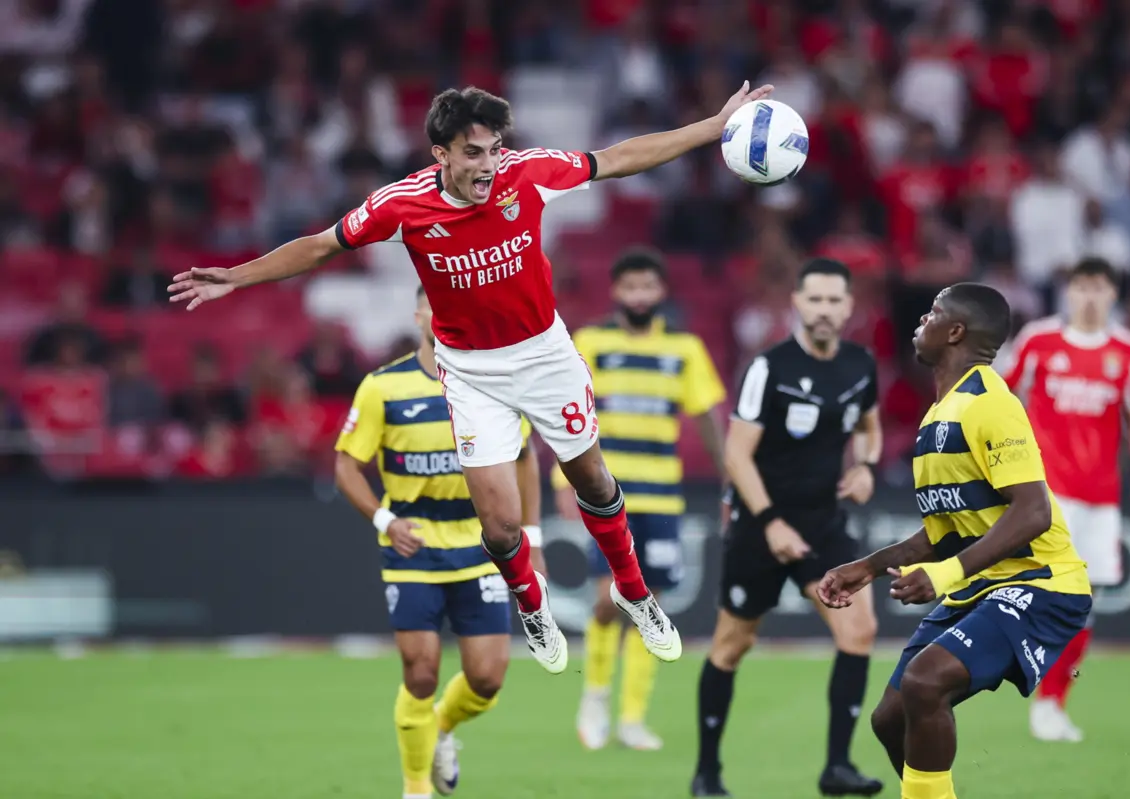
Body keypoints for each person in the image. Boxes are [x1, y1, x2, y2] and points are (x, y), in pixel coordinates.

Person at [170, 82, 773, 672]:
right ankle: (531, 605)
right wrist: (236, 276)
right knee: (500, 523)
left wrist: (713, 127)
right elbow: (321, 247)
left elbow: (617, 159)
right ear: (442, 155)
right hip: (472, 370)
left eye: (493, 148)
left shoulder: (526, 172)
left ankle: (634, 593)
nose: (488, 164)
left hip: (544, 354)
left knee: (591, 479)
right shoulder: (401, 205)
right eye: (472, 152)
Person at [819, 283, 1093, 799]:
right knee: (890, 720)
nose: (921, 320)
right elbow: (945, 530)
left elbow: (1032, 511)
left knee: (926, 683)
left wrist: (945, 575)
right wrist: (869, 567)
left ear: (956, 332)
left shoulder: (991, 404)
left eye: (933, 313)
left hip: (1042, 582)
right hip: (983, 586)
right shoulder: (939, 414)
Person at [333, 286, 544, 799]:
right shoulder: (383, 387)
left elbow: (522, 458)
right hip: (415, 550)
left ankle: (442, 729)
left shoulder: (494, 385)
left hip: (481, 549)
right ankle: (416, 788)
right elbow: (346, 464)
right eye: (436, 306)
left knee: (488, 679)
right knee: (421, 673)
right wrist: (385, 520)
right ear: (420, 314)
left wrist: (531, 537)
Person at [693, 258, 884, 798]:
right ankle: (707, 772)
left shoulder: (860, 365)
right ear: (797, 303)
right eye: (815, 300)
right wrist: (771, 522)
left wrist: (866, 465)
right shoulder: (768, 367)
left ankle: (837, 767)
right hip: (761, 525)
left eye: (834, 301)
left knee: (859, 630)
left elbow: (870, 428)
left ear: (849, 307)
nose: (824, 310)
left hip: (823, 523)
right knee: (733, 644)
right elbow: (737, 454)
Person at [555, 248, 727, 752]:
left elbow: (707, 420)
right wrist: (563, 481)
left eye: (646, 287)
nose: (638, 296)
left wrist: (727, 483)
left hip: (662, 497)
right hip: (605, 494)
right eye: (629, 287)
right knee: (611, 596)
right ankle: (595, 697)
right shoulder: (591, 342)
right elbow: (564, 413)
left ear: (661, 293)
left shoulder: (685, 350)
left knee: (651, 604)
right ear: (616, 292)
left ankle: (632, 718)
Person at [1003, 257, 1130, 743]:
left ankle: (1052, 704)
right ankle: (1019, 678)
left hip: (1102, 496)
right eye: (1081, 287)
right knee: (1049, 595)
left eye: (1099, 287)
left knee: (1083, 608)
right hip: (1047, 493)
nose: (1089, 296)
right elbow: (1001, 399)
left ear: (1113, 295)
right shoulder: (1037, 341)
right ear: (1067, 293)